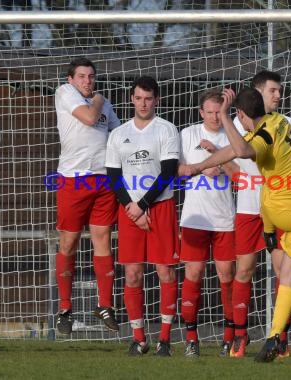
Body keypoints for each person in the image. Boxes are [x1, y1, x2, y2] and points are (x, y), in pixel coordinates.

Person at [179, 86, 291, 363]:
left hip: (286, 211)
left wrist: (223, 115)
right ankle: (274, 338)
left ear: (242, 114)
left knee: (266, 191)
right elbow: (234, 151)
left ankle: (269, 233)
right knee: (289, 277)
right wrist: (199, 167)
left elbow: (243, 150)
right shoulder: (279, 121)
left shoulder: (262, 137)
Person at [105, 75, 180, 357]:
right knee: (133, 274)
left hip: (159, 208)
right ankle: (139, 338)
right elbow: (113, 177)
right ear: (132, 99)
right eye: (139, 98)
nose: (143, 103)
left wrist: (143, 205)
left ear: (156, 100)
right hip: (130, 210)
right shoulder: (118, 133)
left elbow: (168, 171)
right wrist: (132, 209)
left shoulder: (166, 129)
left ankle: (164, 339)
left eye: (149, 98)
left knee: (165, 271)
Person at [229, 71, 291, 358]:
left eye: (279, 91)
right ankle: (239, 337)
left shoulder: (288, 123)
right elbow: (229, 162)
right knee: (244, 270)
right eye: (273, 91)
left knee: (283, 271)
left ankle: (280, 336)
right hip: (248, 209)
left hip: (281, 208)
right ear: (258, 93)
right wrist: (243, 180)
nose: (278, 96)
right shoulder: (236, 123)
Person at [54, 57, 121, 335]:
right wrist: (98, 99)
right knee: (69, 242)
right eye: (81, 76)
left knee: (103, 239)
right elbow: (90, 117)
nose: (87, 81)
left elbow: (118, 134)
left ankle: (105, 305)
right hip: (74, 179)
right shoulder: (65, 92)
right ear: (71, 79)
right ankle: (65, 309)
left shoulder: (103, 103)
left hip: (103, 179)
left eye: (91, 76)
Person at [177, 89, 239, 358]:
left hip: (225, 218)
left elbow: (240, 178)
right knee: (194, 275)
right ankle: (192, 338)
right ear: (201, 112)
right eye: (210, 112)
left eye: (219, 111)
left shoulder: (232, 135)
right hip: (195, 217)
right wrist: (203, 166)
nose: (215, 116)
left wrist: (220, 160)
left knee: (227, 276)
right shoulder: (187, 134)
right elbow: (176, 170)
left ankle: (229, 338)